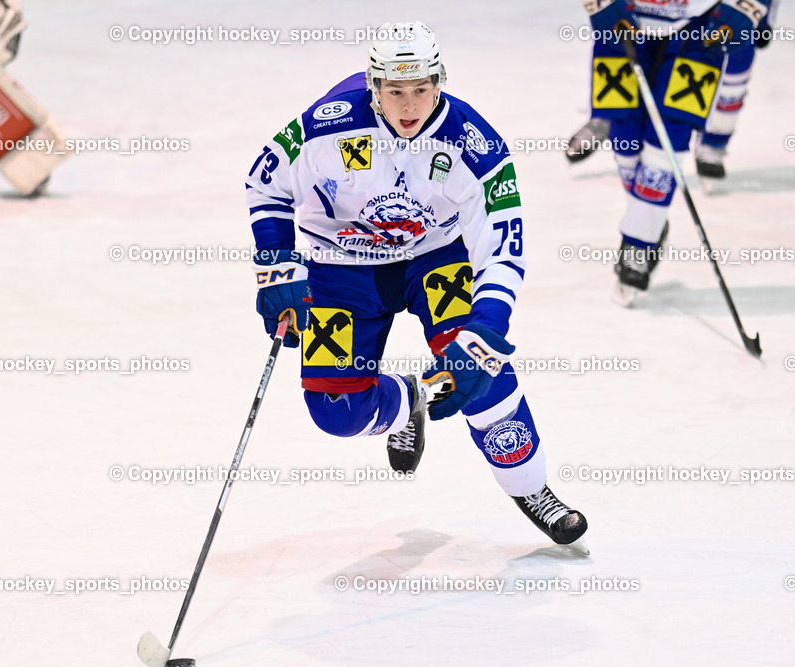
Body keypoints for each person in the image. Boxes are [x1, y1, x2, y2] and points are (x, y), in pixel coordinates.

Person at [245, 21, 587, 546]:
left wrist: (488, 327)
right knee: (337, 412)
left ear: (440, 82)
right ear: (373, 86)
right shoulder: (326, 126)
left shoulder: (474, 142)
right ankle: (410, 400)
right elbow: (263, 181)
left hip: (432, 258)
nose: (410, 105)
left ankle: (531, 488)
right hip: (337, 269)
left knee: (477, 365)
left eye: (423, 89)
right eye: (396, 91)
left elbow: (502, 244)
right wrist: (278, 267)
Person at [580, 0, 771, 303]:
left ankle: (640, 240)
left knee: (668, 139)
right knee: (624, 136)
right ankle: (647, 217)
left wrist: (748, 6)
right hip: (625, 19)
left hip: (701, 28)